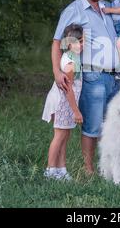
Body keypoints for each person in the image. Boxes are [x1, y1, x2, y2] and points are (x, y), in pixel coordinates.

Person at [51, 0, 120, 175]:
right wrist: (57, 71)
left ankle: (108, 169)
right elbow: (57, 42)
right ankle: (89, 171)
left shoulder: (107, 8)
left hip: (114, 77)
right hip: (93, 76)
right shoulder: (74, 10)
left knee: (111, 127)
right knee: (92, 127)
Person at [42, 24, 84, 180]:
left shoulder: (75, 57)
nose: (80, 44)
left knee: (65, 136)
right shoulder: (70, 63)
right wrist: (76, 111)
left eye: (82, 40)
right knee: (59, 136)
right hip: (63, 102)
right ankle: (50, 170)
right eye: (76, 41)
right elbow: (68, 89)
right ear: (68, 43)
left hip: (67, 102)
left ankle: (61, 169)